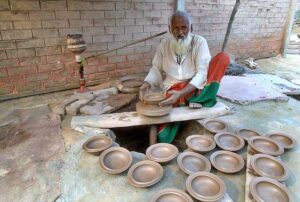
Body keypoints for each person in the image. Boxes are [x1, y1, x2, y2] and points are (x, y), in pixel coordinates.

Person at [139, 10, 230, 143]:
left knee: (223, 58)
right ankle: (163, 143)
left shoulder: (199, 42)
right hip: (172, 90)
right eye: (176, 28)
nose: (180, 32)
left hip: (193, 89)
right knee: (163, 135)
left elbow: (202, 72)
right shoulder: (164, 44)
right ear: (170, 29)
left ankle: (201, 100)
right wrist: (145, 85)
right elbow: (156, 69)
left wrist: (182, 93)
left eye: (184, 27)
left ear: (191, 28)